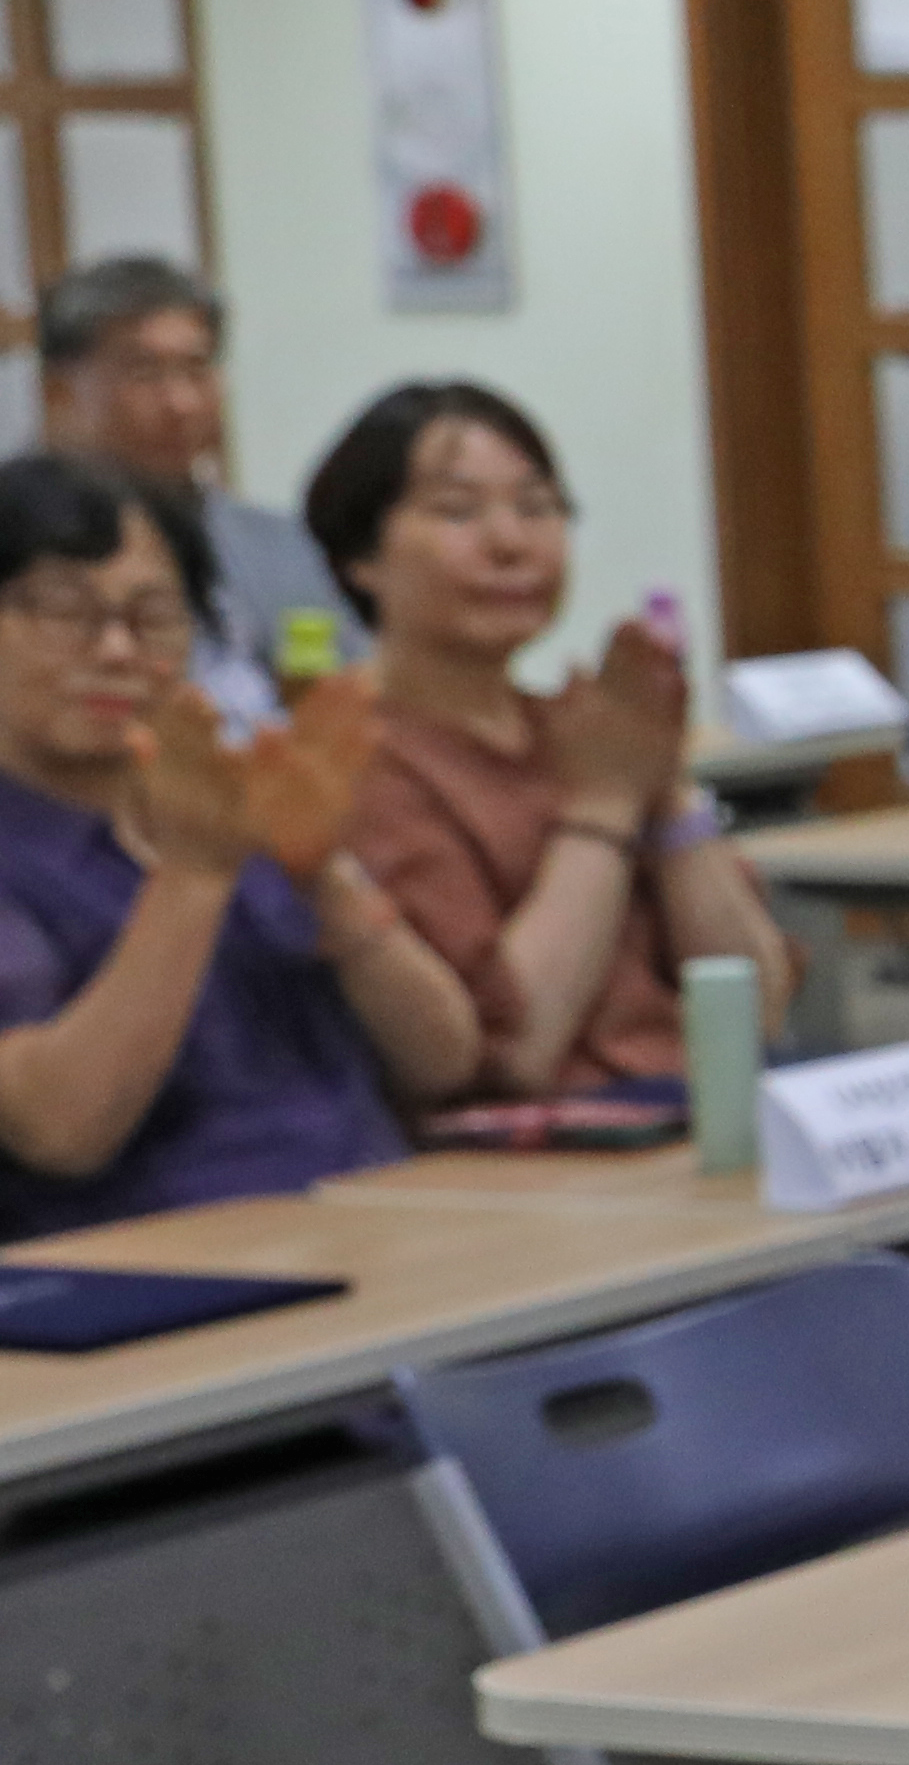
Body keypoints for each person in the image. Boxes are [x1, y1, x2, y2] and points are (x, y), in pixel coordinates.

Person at [0, 457, 479, 1230]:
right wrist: (192, 878)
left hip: (373, 1217)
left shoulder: (223, 802)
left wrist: (322, 873)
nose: (119, 651)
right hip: (163, 1273)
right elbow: (62, 1129)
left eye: (154, 617)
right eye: (65, 614)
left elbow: (443, 1059)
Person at [309, 382, 791, 1097]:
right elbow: (511, 1054)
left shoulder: (580, 732)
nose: (511, 544)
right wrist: (604, 805)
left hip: (691, 1106)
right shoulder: (353, 760)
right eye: (458, 512)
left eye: (537, 508)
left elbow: (759, 1011)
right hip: (536, 1155)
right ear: (361, 556)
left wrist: (662, 781)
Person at [34, 261, 343, 722]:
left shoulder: (288, 546)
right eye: (144, 372)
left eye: (197, 369)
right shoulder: (24, 554)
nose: (181, 402)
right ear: (60, 391)